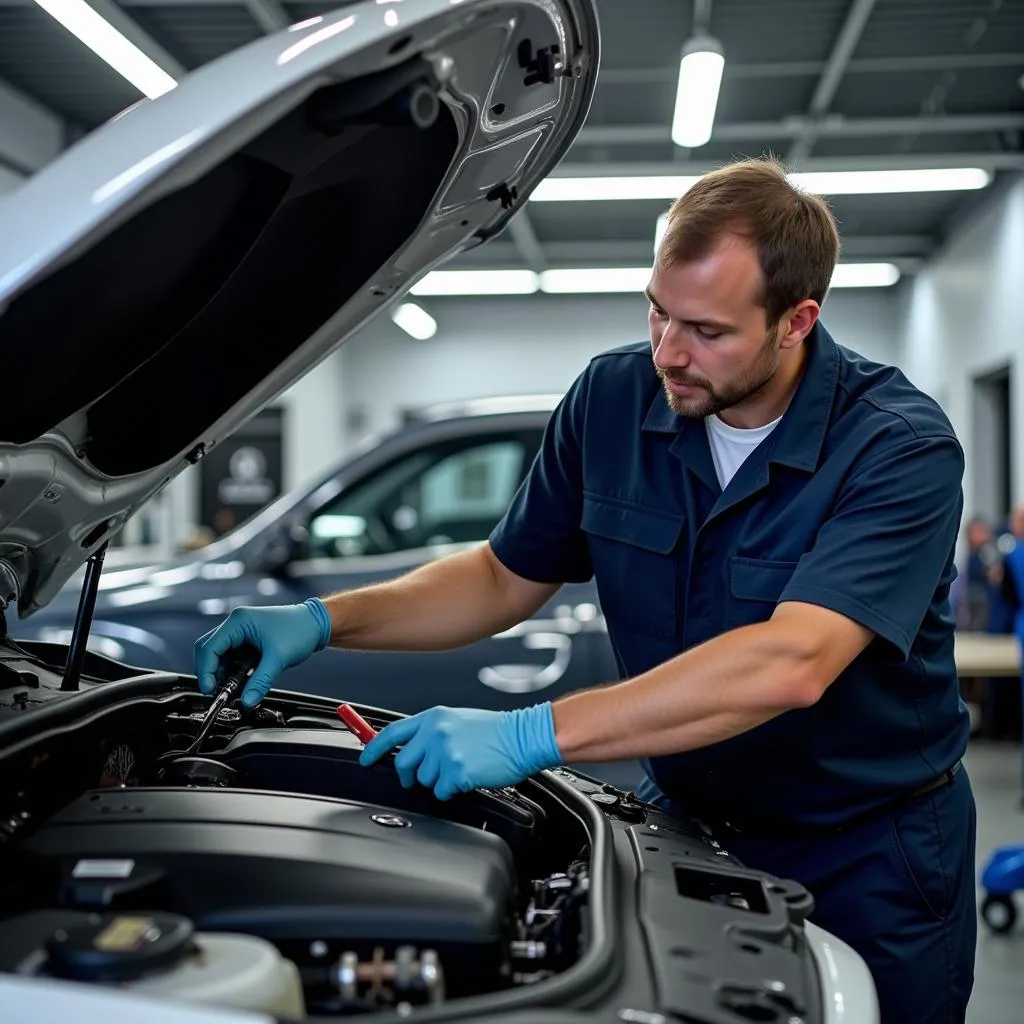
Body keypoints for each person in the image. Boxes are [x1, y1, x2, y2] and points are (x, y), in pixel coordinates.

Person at [195, 157, 976, 1023]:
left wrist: (536, 733)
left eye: (707, 332)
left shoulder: (898, 446)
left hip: (867, 851)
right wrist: (320, 619)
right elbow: (501, 575)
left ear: (797, 322)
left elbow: (792, 662)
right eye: (657, 312)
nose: (668, 353)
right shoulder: (611, 399)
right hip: (690, 828)